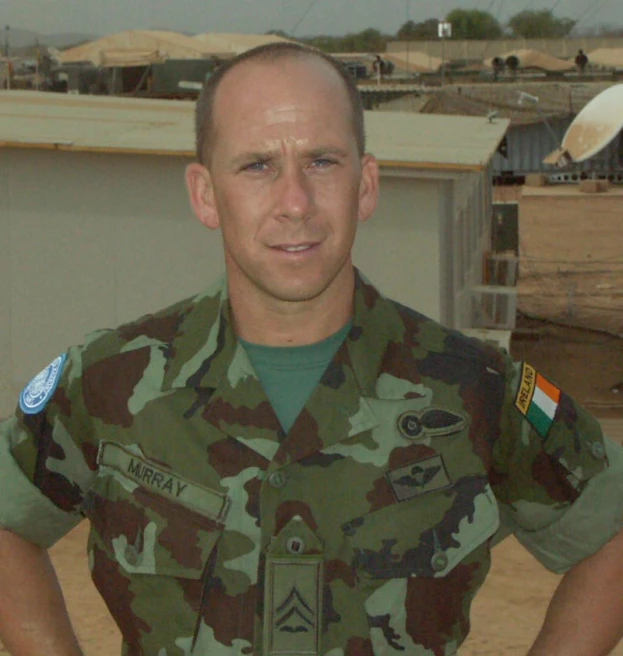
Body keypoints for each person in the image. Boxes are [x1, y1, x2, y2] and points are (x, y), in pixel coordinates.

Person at [1, 41, 623, 656]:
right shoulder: (112, 381)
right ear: (205, 194)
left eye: (323, 162)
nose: (295, 203)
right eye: (257, 166)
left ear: (367, 185)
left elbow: (610, 532)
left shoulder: (473, 388)